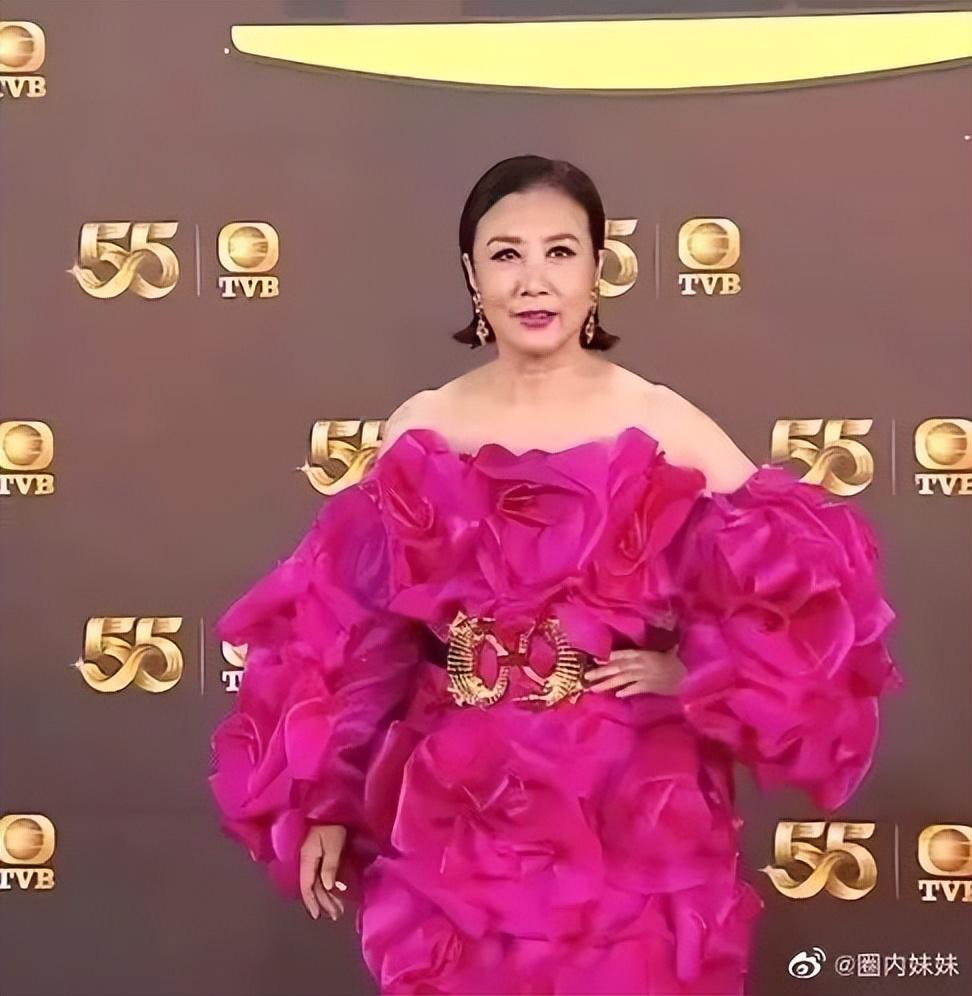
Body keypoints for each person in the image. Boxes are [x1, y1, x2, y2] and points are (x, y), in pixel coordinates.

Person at [209, 155, 904, 994]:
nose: (534, 281)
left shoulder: (657, 418)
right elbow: (357, 632)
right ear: (472, 274)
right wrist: (325, 799)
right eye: (507, 254)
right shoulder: (424, 424)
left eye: (561, 252)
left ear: (598, 268)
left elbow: (801, 583)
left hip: (625, 800)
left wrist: (699, 673)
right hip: (459, 806)